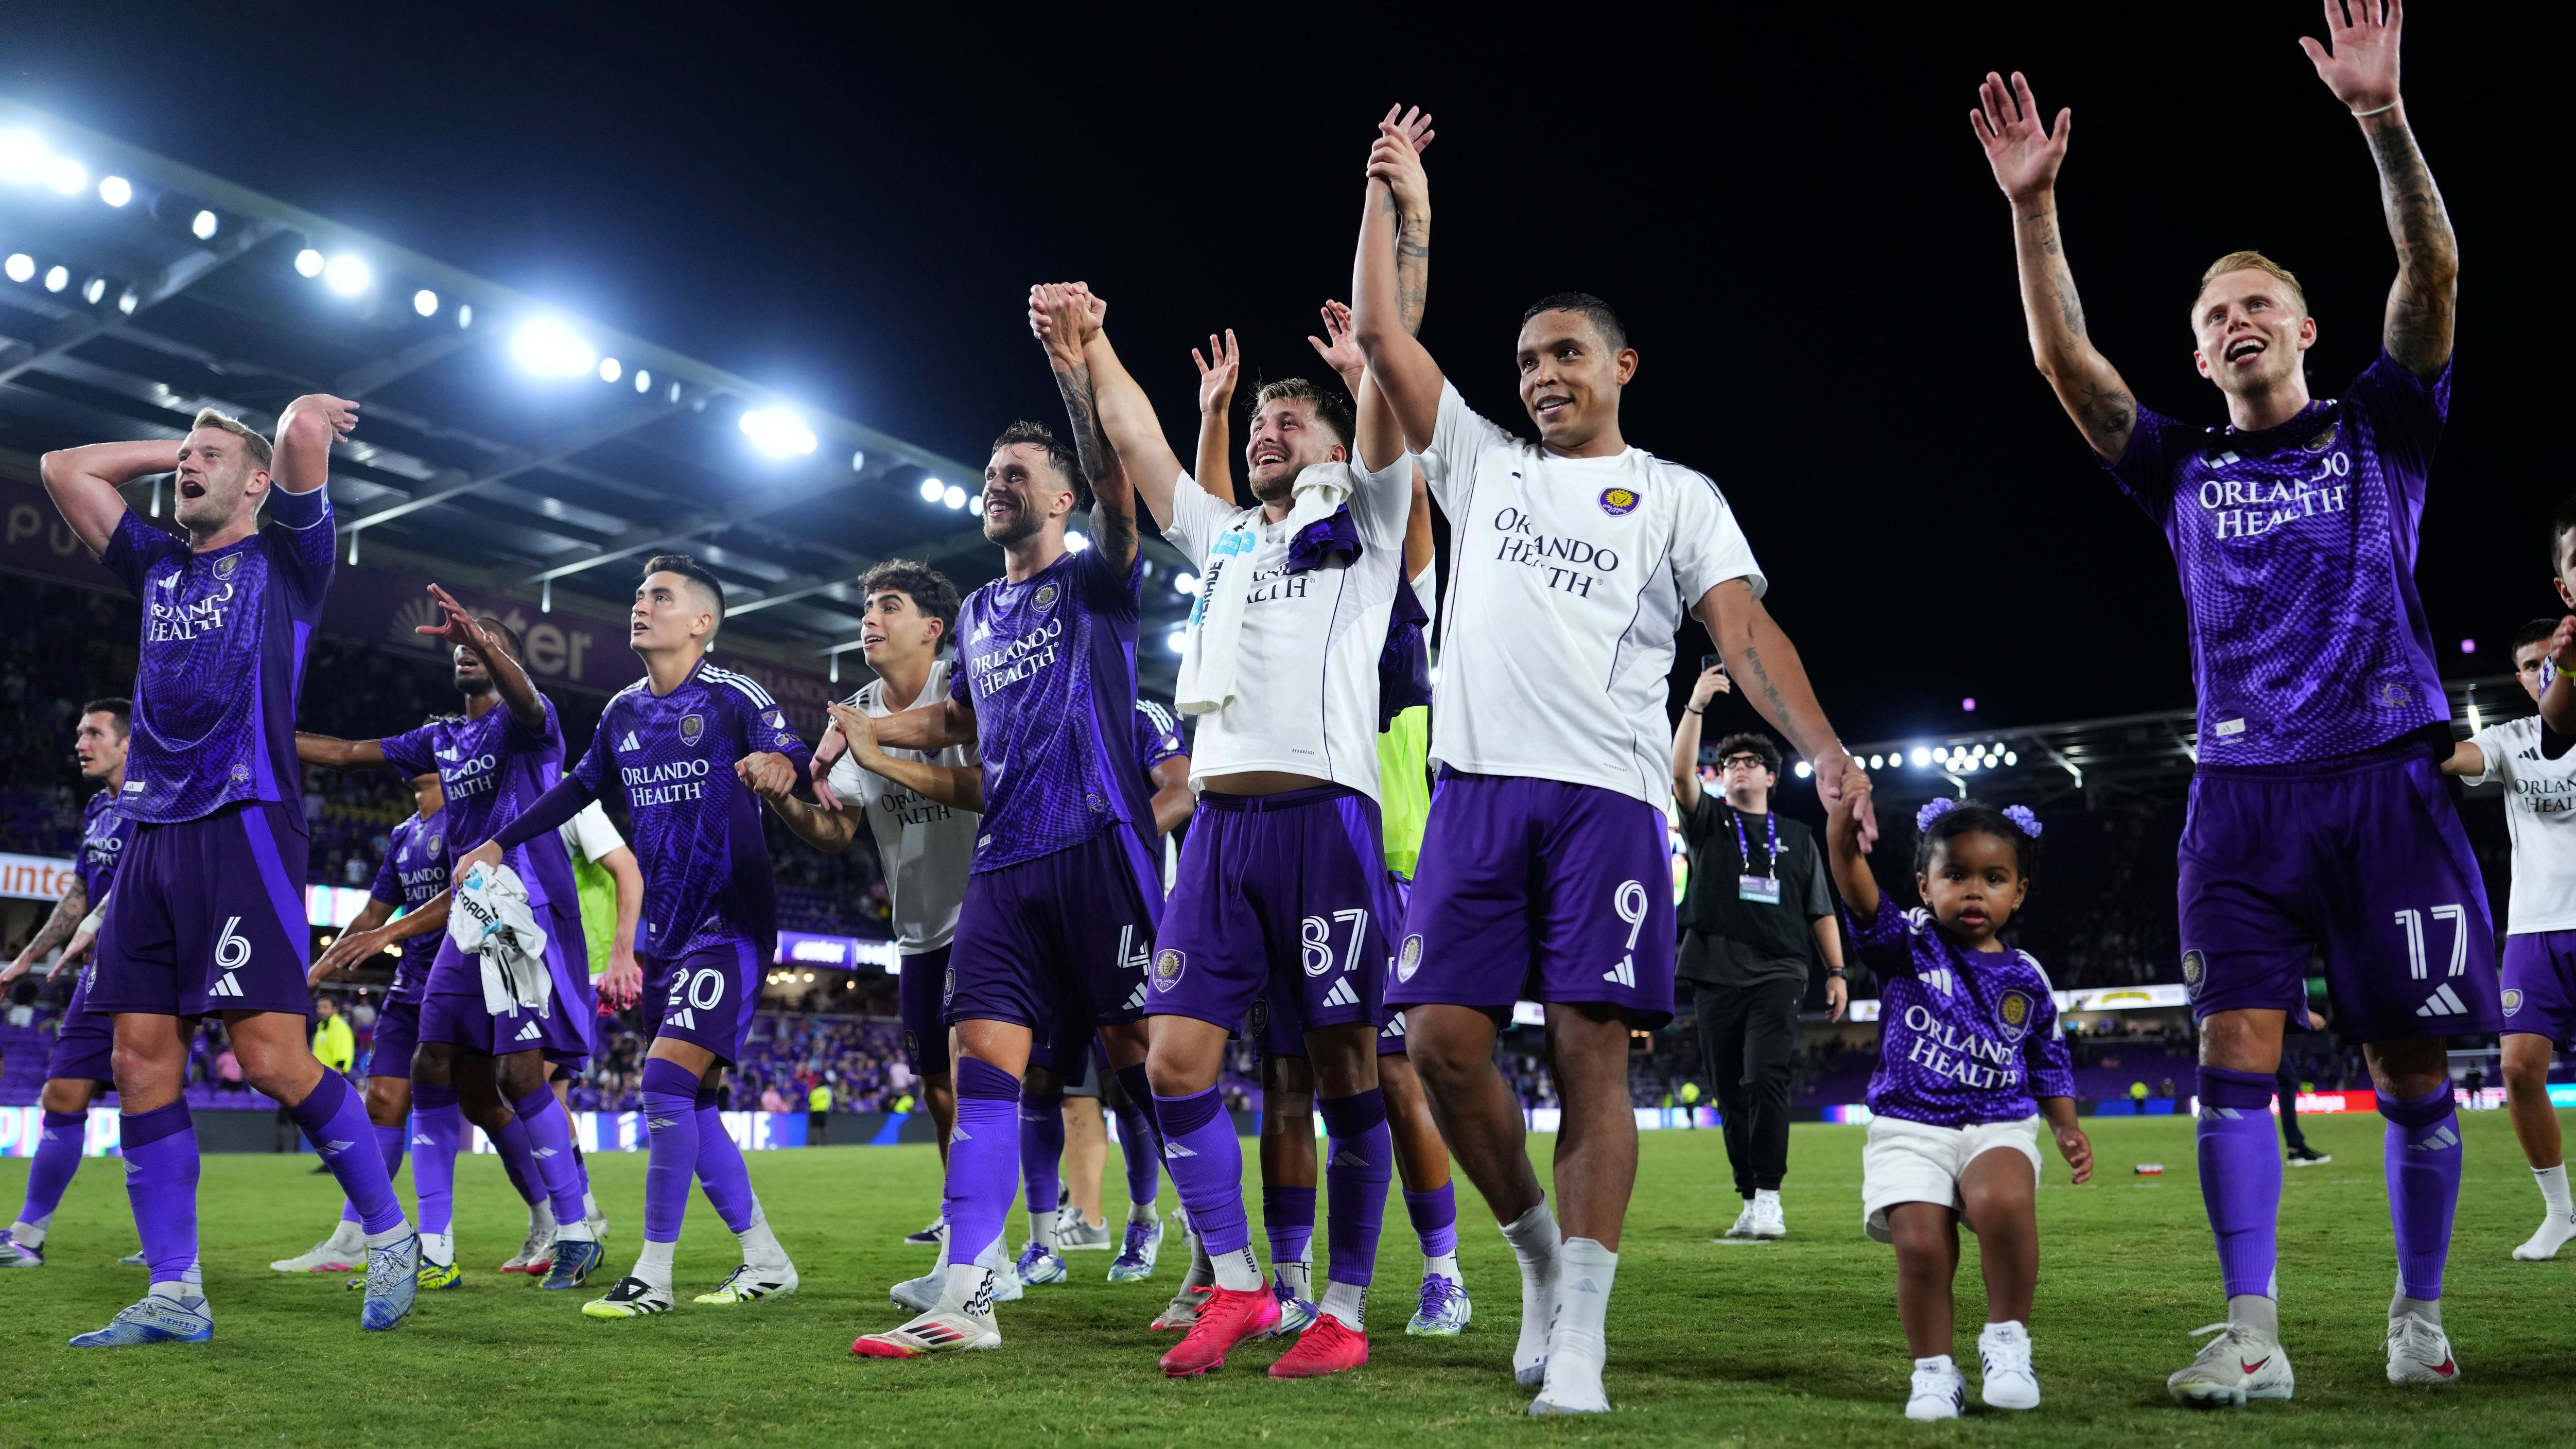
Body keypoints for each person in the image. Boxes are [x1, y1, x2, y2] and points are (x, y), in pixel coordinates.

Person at [1970, 1, 2478, 1399]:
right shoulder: (2180, 468)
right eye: (2211, 317)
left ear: (2305, 327)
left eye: (2256, 303)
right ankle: (2251, 1336)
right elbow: (2064, 367)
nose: (2235, 322)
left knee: (2410, 1061)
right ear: (2197, 357)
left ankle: (2416, 1313)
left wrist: (2380, 119)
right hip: (2239, 799)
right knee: (2228, 1059)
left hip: (2386, 771)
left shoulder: (2384, 423)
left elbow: (2429, 267)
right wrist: (2034, 212)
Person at [1349, 109, 1866, 1415]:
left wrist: (1822, 750)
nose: (1541, 376)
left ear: (1621, 365)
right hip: (1476, 794)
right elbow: (1380, 337)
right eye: (1526, 360)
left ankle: (1579, 1327)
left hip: (1612, 806)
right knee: (1439, 1043)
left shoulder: (1679, 494)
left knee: (1590, 1053)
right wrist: (1396, 204)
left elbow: (1741, 632)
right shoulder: (1477, 463)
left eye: (1566, 354)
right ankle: (1531, 1256)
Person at [1051, 268, 1417, 1378]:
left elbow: (1395, 408)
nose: (1268, 429)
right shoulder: (1222, 538)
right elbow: (1143, 444)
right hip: (1218, 831)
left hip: (1330, 821)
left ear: (1336, 439)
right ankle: (1243, 1285)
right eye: (1260, 419)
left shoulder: (1373, 514)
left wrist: (1382, 327)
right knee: (1172, 1062)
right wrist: (1098, 341)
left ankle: (1345, 1309)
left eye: (1290, 418)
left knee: (1350, 1070)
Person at [39, 396, 420, 1346]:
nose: (185, 469)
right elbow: (63, 468)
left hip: (245, 824)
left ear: (255, 484)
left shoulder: (289, 562)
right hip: (152, 834)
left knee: (270, 1060)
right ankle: (175, 1292)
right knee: (137, 1061)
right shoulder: (158, 563)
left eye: (209, 458)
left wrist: (289, 419)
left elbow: (296, 438)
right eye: (182, 459)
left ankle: (388, 1236)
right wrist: (178, 446)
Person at [829, 345, 1165, 1358]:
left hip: (1102, 848)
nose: (996, 484)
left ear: (1062, 499)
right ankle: (969, 1292)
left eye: (1018, 474)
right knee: (984, 1065)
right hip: (1007, 869)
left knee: (1150, 1069)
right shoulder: (974, 613)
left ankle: (1221, 1260)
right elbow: (958, 724)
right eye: (991, 472)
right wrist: (865, 730)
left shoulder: (1098, 579)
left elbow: (1119, 486)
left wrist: (1076, 371)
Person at [1186, 301, 1471, 1341]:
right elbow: (1224, 538)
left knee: (1387, 1070)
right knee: (1284, 1076)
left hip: (1378, 843)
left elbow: (1405, 497)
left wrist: (1372, 387)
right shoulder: (1279, 559)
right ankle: (1292, 1275)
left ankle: (1441, 1267)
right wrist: (1218, 418)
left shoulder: (1377, 559)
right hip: (1284, 836)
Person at [460, 553, 806, 1317]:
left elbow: (797, 755)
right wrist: (496, 841)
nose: (641, 605)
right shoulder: (621, 712)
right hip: (671, 933)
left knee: (662, 1083)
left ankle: (653, 1272)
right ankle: (766, 1258)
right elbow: (577, 789)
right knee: (699, 1100)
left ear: (702, 622)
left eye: (660, 596)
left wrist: (780, 762)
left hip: (730, 923)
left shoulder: (731, 696)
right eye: (639, 594)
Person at [297, 592, 604, 1292]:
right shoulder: (441, 737)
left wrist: (488, 639)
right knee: (432, 1062)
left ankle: (576, 1230)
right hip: (466, 915)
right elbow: (346, 752)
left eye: (483, 643)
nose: (466, 649)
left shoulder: (533, 727)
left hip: (527, 913)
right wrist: (252, 734)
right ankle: (434, 1246)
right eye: (461, 645)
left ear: (506, 659)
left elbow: (527, 700)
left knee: (520, 1077)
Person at [1826, 791, 2091, 1420]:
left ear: (2019, 892)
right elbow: (1858, 893)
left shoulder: (2028, 976)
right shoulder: (1904, 944)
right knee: (1920, 1246)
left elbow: (2047, 1057)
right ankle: (1935, 1373)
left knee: (2003, 1200)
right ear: (1925, 884)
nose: (1975, 891)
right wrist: (1841, 836)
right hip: (1908, 1125)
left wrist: (2067, 1127)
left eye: (1994, 878)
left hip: (1998, 1119)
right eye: (1956, 875)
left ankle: (2007, 1341)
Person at [776, 560, 978, 1251]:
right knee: (937, 1087)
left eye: (888, 605)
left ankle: (1016, 1232)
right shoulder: (856, 709)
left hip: (991, 909)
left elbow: (990, 787)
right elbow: (837, 832)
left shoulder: (968, 689)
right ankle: (963, 1215)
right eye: (866, 605)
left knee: (987, 1069)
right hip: (918, 928)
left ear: (932, 628)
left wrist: (876, 745)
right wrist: (786, 800)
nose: (870, 617)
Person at [1004, 697, 1191, 1295]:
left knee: (1127, 1080)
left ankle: (1146, 1220)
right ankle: (1040, 1243)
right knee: (1039, 1078)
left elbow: (1181, 791)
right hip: (1050, 918)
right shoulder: (1040, 715)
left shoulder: (1138, 712)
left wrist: (1107, 853)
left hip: (1129, 912)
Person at [1670, 686, 1849, 1241]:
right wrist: (1695, 706)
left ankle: (1770, 1196)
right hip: (1714, 971)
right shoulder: (1708, 825)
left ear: (1771, 777)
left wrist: (1838, 972)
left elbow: (1821, 907)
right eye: (1729, 764)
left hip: (1781, 972)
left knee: (1765, 1076)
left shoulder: (1798, 837)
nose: (1738, 768)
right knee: (1731, 1091)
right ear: (1721, 777)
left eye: (1750, 762)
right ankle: (1749, 1197)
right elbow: (1680, 776)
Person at [271, 770, 451, 1275]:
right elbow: (373, 914)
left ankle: (562, 1216)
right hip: (411, 981)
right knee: (384, 1101)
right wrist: (314, 973)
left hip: (462, 979)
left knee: (492, 1105)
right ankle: (352, 1236)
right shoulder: (403, 835)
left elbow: (464, 894)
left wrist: (388, 931)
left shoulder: (465, 820)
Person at [2446, 616, 2576, 1260]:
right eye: (2528, 664)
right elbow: (2456, 756)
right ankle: (2559, 1213)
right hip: (2534, 930)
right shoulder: (2512, 738)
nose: (2538, 670)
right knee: (2519, 1070)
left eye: (2548, 658)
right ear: (2521, 677)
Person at [0, 699, 142, 1268]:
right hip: (98, 971)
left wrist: (95, 922)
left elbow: (140, 878)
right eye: (80, 733)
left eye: (94, 733)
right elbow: (79, 895)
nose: (81, 743)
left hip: (150, 969)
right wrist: (24, 960)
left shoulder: (158, 800)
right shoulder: (98, 810)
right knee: (61, 1094)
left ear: (128, 742)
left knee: (150, 1106)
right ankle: (27, 1238)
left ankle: (170, 1246)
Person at [2276, 1006, 2333, 1168]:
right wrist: (2306, 1014)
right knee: (2286, 1082)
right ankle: (2294, 1147)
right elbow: (2278, 990)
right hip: (2258, 1031)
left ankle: (2295, 1147)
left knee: (2287, 1082)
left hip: (2263, 1032)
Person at [311, 996, 356, 1078]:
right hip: (320, 1074)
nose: (321, 1011)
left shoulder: (340, 1027)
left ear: (335, 1010)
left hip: (333, 1076)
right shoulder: (321, 1026)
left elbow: (343, 1053)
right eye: (319, 1007)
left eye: (325, 1007)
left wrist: (337, 1075)